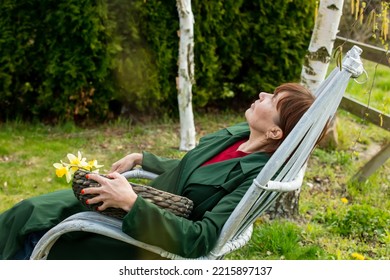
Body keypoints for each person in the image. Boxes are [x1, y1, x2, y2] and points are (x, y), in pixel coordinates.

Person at [0, 83, 320, 260]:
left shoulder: (254, 178)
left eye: (272, 100)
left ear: (276, 133)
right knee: (28, 209)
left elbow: (203, 239)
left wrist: (130, 204)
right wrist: (143, 158)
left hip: (143, 233)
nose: (262, 94)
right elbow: (192, 169)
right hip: (139, 201)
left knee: (32, 227)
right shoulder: (240, 136)